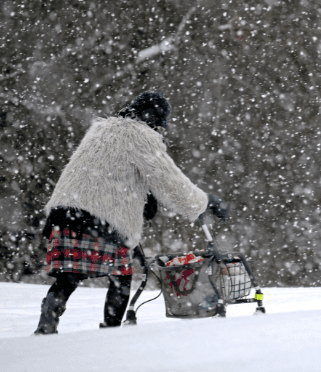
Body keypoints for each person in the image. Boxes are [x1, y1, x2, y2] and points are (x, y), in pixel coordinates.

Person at [34, 91, 229, 334]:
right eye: (158, 124)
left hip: (64, 214)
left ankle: (46, 324)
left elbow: (105, 177)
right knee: (121, 276)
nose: (159, 130)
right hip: (99, 218)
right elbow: (172, 184)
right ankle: (112, 332)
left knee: (69, 276)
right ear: (153, 120)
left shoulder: (100, 131)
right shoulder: (141, 136)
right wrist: (205, 202)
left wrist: (139, 208)